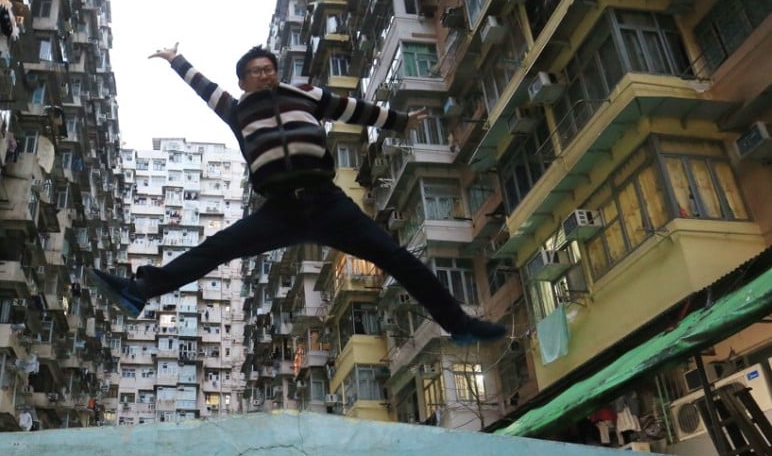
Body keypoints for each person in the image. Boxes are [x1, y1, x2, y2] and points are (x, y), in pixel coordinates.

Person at [91, 43, 507, 345]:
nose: (266, 73)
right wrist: (176, 60)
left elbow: (350, 108)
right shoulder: (238, 110)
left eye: (270, 67)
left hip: (327, 202)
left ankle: (460, 325)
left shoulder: (303, 94)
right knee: (216, 247)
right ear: (243, 80)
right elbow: (205, 88)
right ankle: (139, 290)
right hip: (281, 210)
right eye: (256, 70)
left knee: (396, 258)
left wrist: (398, 120)